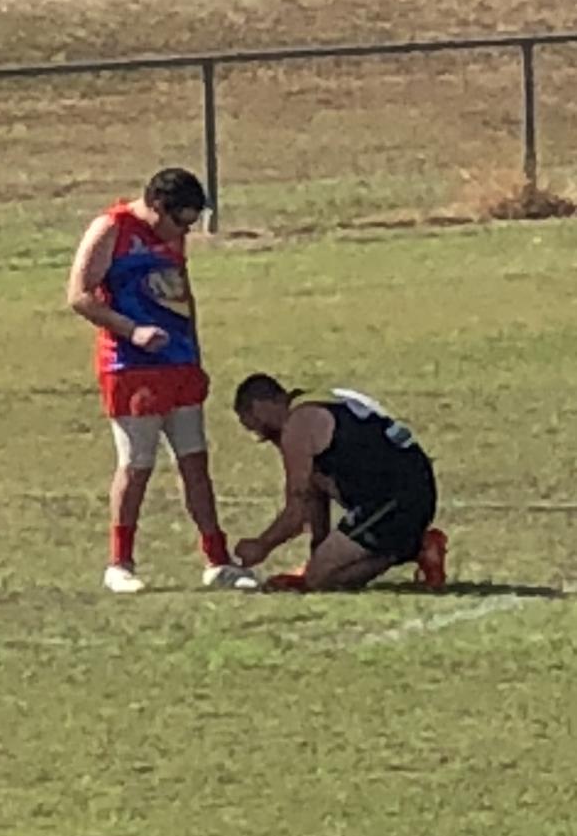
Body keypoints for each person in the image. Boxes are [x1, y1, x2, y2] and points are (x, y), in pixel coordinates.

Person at [67, 167, 239, 593]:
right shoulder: (112, 229)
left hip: (176, 361)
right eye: (181, 221)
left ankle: (218, 560)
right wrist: (132, 331)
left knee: (195, 461)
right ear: (158, 207)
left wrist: (194, 354)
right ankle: (120, 562)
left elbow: (181, 292)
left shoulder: (172, 234)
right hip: (130, 364)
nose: (184, 231)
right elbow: (79, 295)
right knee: (137, 463)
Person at [232, 374, 448, 592]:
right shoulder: (319, 401)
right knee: (317, 570)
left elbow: (296, 510)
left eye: (258, 426)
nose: (263, 435)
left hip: (393, 498)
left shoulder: (299, 425)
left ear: (260, 406)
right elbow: (313, 495)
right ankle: (406, 544)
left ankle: (417, 548)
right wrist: (318, 550)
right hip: (413, 483)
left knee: (320, 581)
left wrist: (262, 545)